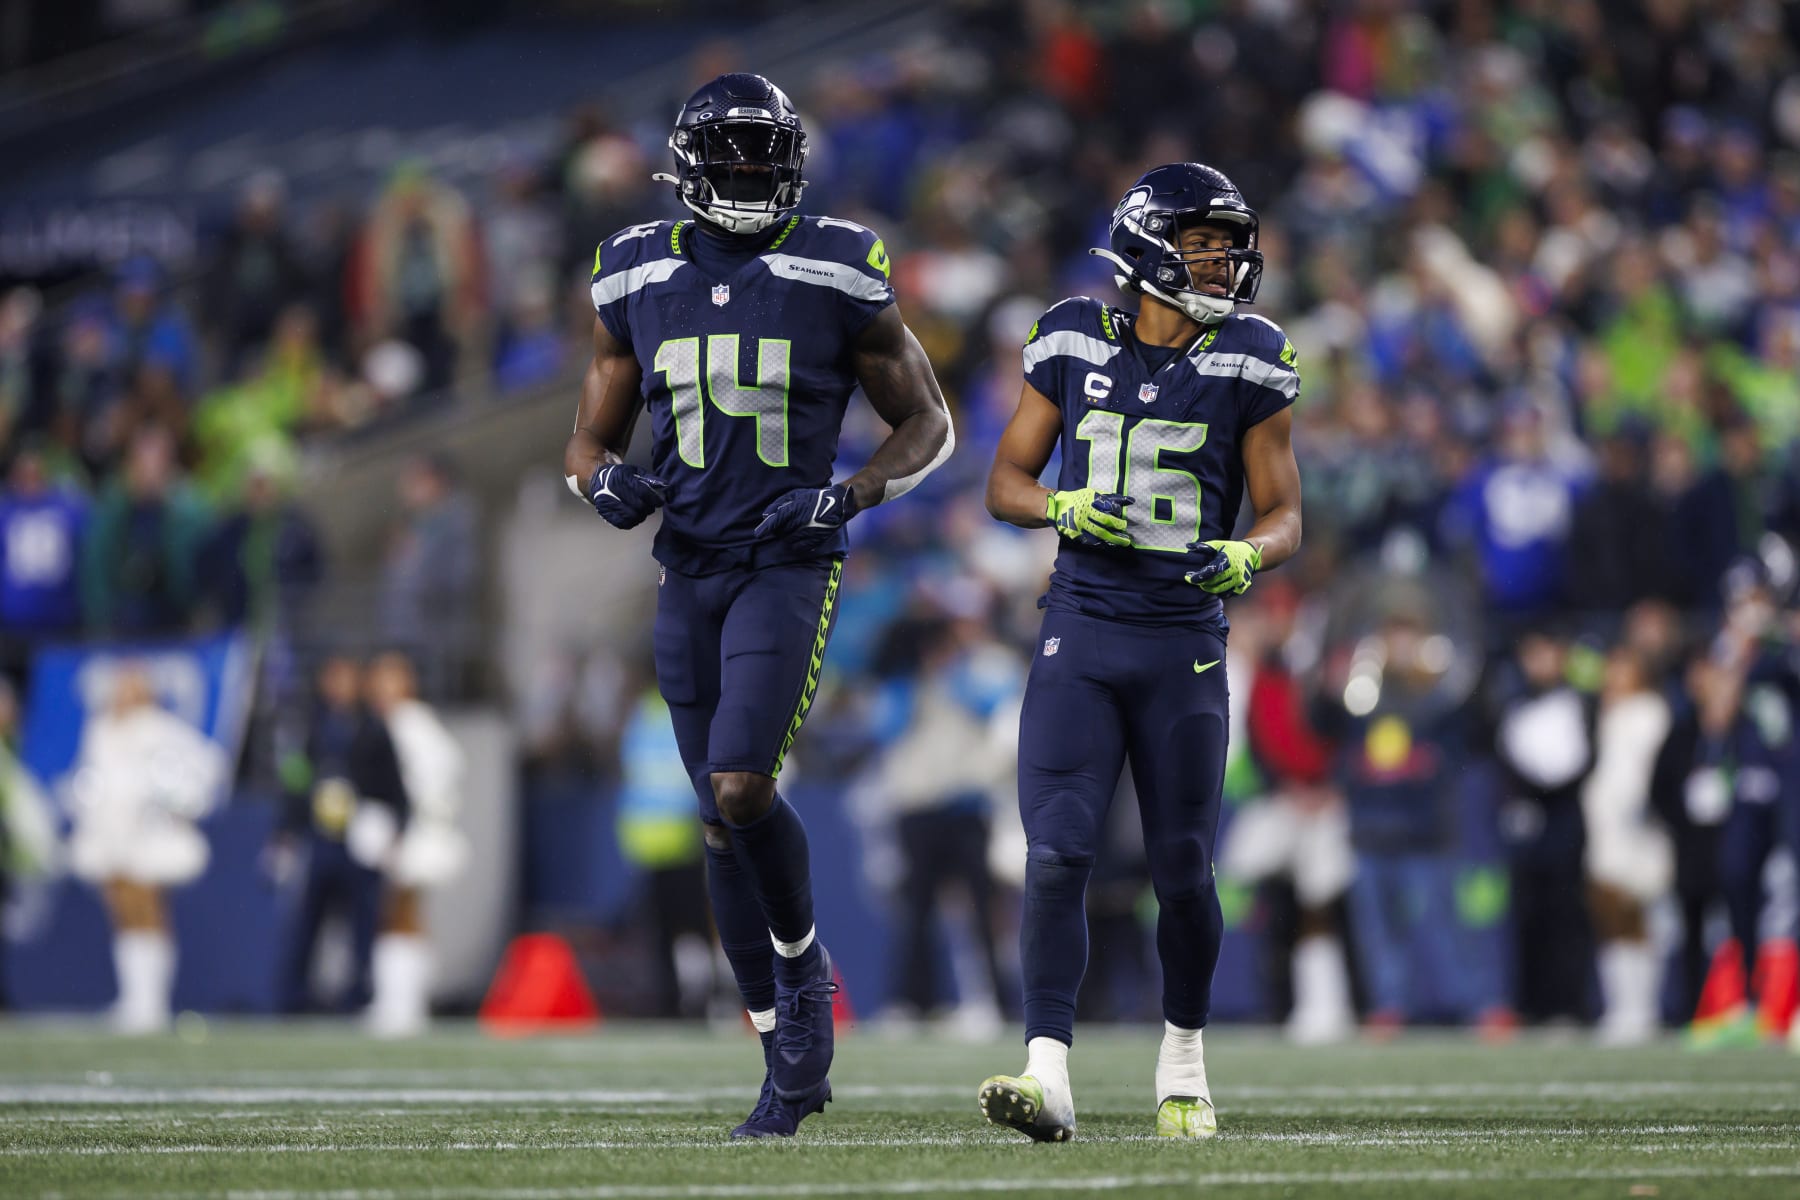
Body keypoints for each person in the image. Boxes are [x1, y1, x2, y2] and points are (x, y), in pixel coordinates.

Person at [563, 72, 953, 1139]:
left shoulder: (838, 263)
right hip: (688, 567)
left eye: (762, 150)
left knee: (742, 788)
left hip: (789, 559)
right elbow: (588, 439)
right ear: (688, 163)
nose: (747, 171)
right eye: (729, 152)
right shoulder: (633, 270)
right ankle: (778, 1040)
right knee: (714, 820)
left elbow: (928, 422)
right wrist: (600, 483)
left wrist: (854, 492)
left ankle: (802, 974)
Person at [978, 163, 1302, 1141]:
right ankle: (1047, 1074)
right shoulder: (1071, 333)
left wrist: (1250, 551)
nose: (1225, 260)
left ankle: (1185, 1070)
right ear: (1149, 244)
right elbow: (1006, 481)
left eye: (1228, 243)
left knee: (1184, 871)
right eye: (1204, 242)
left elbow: (1287, 511)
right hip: (1082, 624)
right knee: (1056, 852)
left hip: (1183, 640)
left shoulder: (1251, 354)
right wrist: (1060, 505)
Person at [65, 665, 226, 1033]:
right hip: (109, 833)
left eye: (133, 687)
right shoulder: (100, 728)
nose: (125, 693)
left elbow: (206, 768)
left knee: (146, 909)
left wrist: (172, 801)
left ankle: (152, 1002)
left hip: (149, 835)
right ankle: (134, 998)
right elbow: (92, 777)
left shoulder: (161, 728)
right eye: (121, 686)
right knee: (121, 910)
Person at [363, 650, 467, 1037]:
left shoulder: (413, 723)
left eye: (392, 679)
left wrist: (408, 823)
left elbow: (438, 774)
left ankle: (404, 1003)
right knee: (397, 911)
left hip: (414, 832)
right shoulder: (384, 722)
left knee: (404, 910)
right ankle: (399, 999)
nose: (383, 687)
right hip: (399, 829)